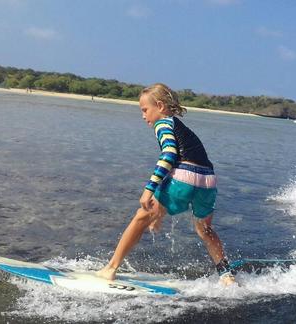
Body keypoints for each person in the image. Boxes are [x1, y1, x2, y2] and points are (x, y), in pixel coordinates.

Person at [96, 83, 236, 286]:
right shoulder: (179, 125)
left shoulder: (162, 124)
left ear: (160, 106)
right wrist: (158, 211)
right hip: (208, 181)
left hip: (185, 177)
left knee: (140, 217)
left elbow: (169, 154)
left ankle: (110, 269)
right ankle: (226, 275)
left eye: (145, 110)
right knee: (204, 230)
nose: (144, 116)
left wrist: (149, 189)